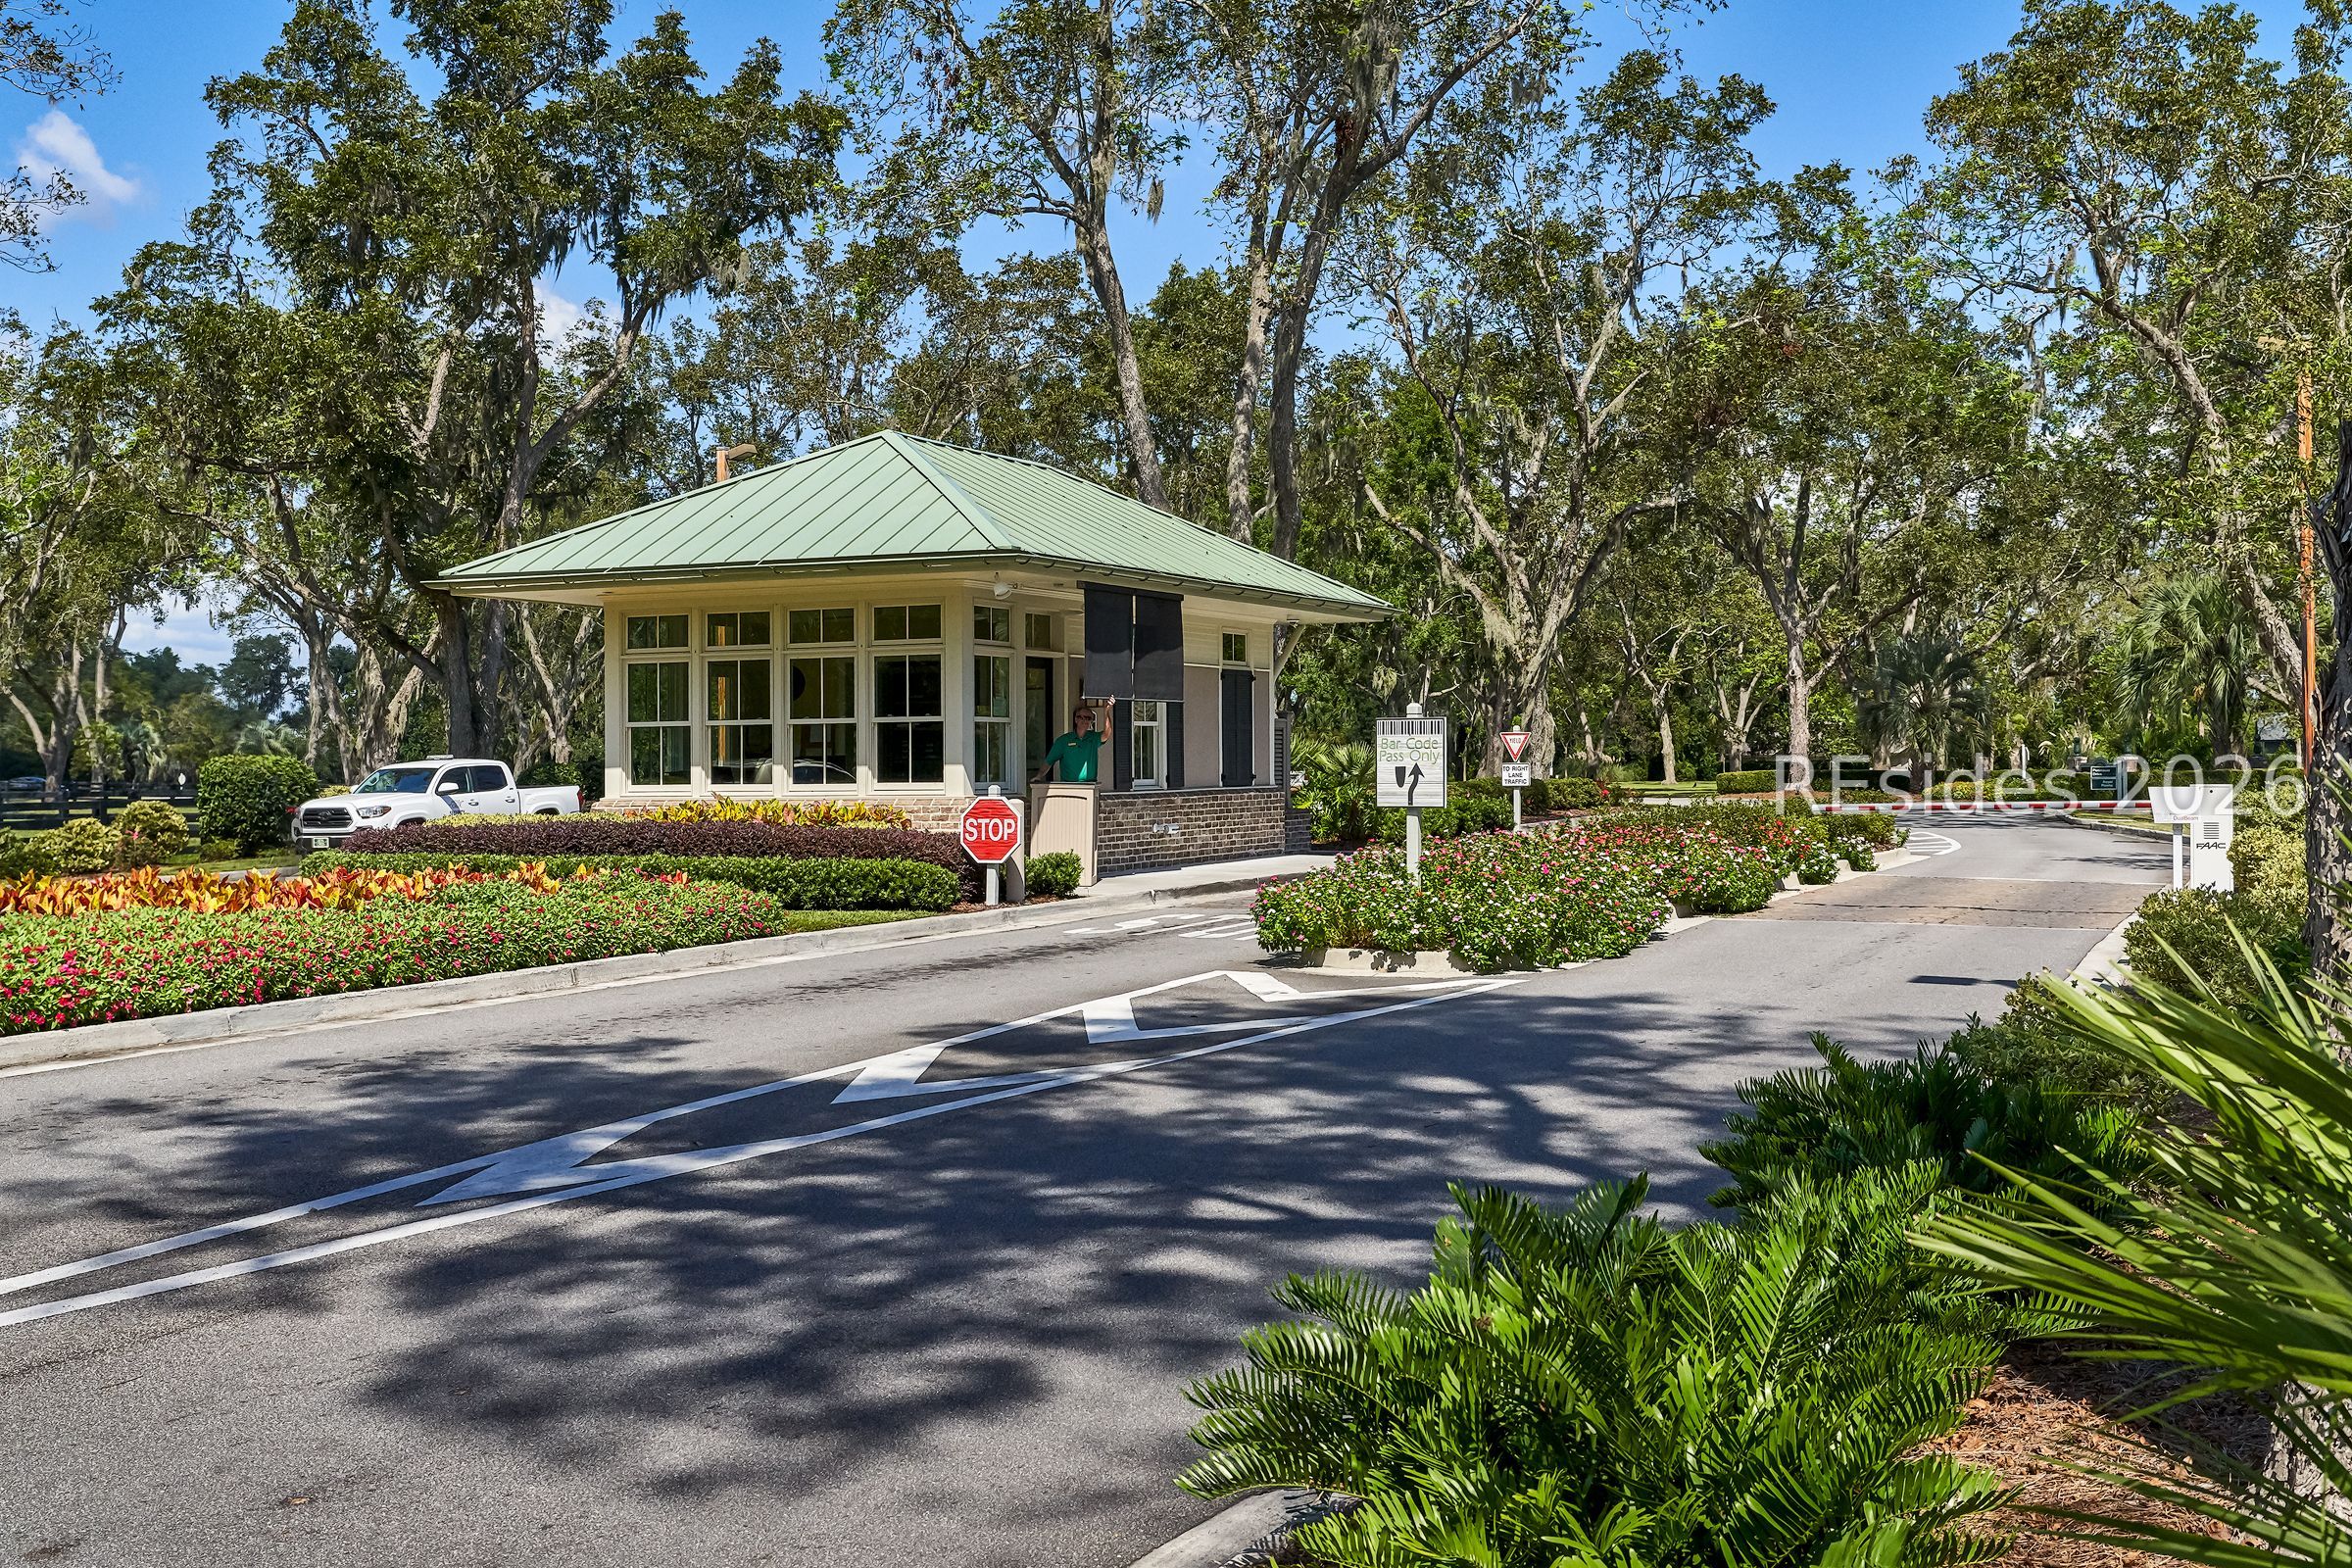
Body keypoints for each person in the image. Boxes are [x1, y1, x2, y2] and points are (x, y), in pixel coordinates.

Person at [1032, 700, 1109, 784]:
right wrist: (1039, 776)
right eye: (1081, 717)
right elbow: (1049, 761)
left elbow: (1107, 733)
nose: (1084, 720)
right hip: (1068, 785)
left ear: (1091, 721)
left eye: (1088, 718)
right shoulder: (1063, 740)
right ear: (1076, 719)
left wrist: (1106, 711)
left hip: (1090, 785)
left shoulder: (1094, 738)